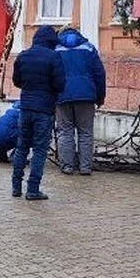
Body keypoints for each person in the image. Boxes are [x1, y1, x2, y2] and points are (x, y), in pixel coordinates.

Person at [10, 26, 65, 200]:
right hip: (44, 110)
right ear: (50, 42)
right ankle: (33, 189)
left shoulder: (22, 56)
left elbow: (16, 81)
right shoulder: (54, 57)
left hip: (25, 107)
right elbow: (60, 84)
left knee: (21, 147)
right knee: (40, 150)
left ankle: (16, 187)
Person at [54, 26, 106, 176]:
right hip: (86, 96)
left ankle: (67, 166)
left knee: (65, 132)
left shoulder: (56, 49)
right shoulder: (88, 48)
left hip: (62, 95)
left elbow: (52, 73)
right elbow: (99, 74)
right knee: (85, 132)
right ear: (78, 33)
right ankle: (85, 167)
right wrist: (100, 97)